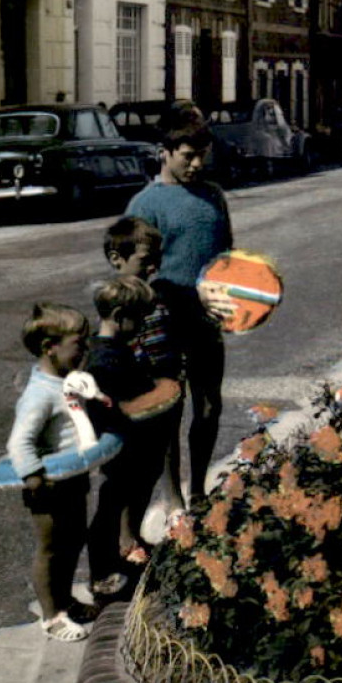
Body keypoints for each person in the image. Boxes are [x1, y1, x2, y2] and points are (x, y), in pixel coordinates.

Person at [126, 106, 234, 509]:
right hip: (164, 323)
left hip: (207, 321)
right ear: (164, 152)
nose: (196, 164)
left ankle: (199, 488)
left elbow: (227, 256)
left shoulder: (213, 196)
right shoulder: (145, 204)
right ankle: (173, 498)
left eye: (202, 155)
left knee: (209, 406)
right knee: (170, 409)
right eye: (188, 155)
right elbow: (132, 273)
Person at [6, 302, 95, 641]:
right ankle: (52, 615)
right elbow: (20, 442)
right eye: (79, 344)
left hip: (73, 478)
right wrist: (33, 478)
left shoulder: (64, 382)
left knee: (73, 541)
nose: (85, 350)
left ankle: (66, 601)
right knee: (51, 548)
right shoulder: (39, 395)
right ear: (49, 348)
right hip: (47, 485)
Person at [81, 275, 169, 598]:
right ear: (119, 317)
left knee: (119, 501)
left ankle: (116, 558)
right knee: (110, 507)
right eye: (140, 319)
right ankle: (102, 574)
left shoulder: (110, 348)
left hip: (125, 441)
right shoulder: (105, 359)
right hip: (119, 444)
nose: (143, 325)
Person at [103, 216, 184, 532]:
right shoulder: (114, 301)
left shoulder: (160, 293)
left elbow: (173, 334)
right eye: (145, 261)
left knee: (168, 444)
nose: (154, 268)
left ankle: (174, 501)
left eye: (157, 261)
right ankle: (126, 534)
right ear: (116, 259)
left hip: (167, 382)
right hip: (133, 391)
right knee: (130, 461)